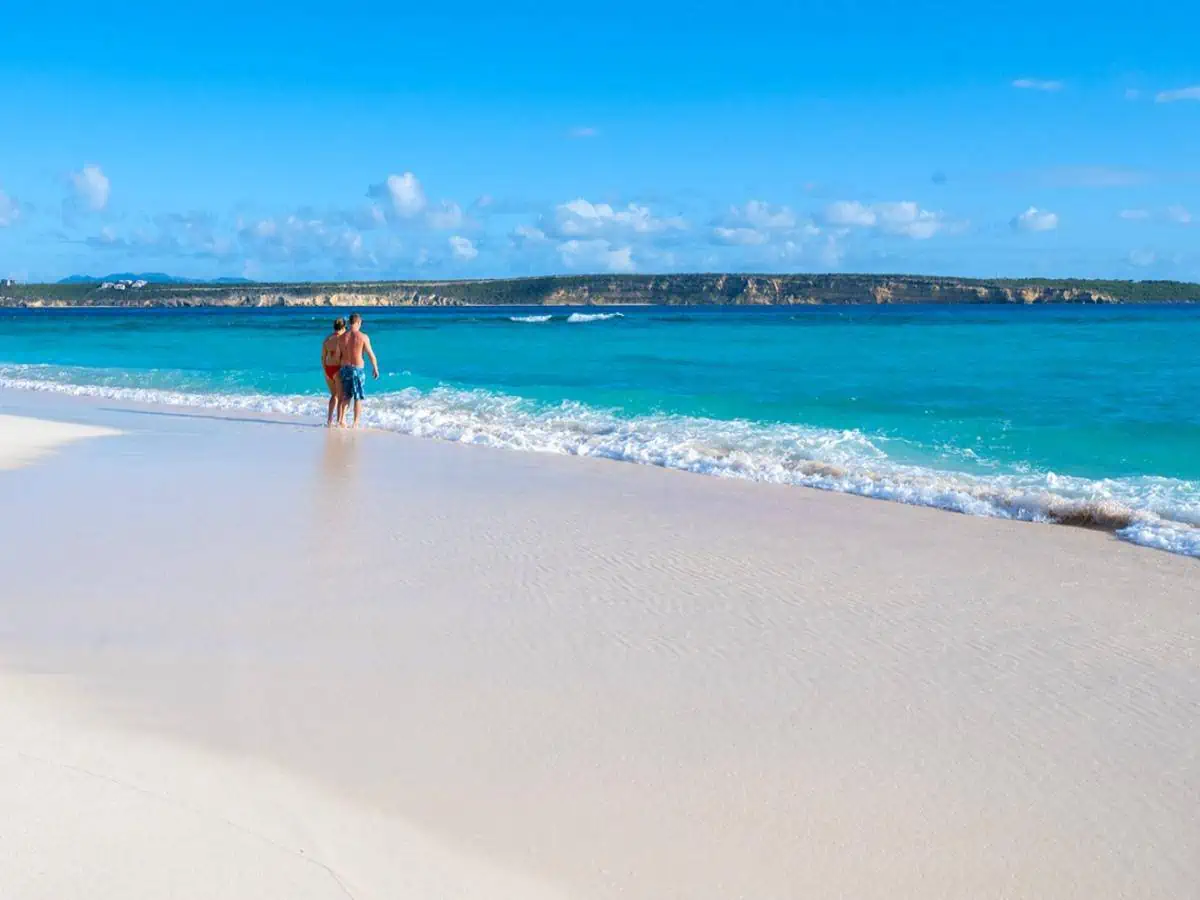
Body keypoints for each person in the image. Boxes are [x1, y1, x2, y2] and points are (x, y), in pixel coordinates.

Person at [336, 313, 379, 428]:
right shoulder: (363, 337)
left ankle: (342, 419)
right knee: (358, 397)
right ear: (358, 322)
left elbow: (337, 356)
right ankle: (355, 423)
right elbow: (370, 354)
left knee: (346, 396)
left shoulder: (341, 338)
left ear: (350, 323)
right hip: (357, 369)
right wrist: (375, 368)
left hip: (344, 369)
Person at [321, 318, 346, 427]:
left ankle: (329, 420)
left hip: (328, 369)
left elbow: (323, 357)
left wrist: (325, 370)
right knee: (341, 397)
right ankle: (339, 421)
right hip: (337, 369)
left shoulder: (327, 339)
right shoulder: (342, 339)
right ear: (344, 327)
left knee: (333, 395)